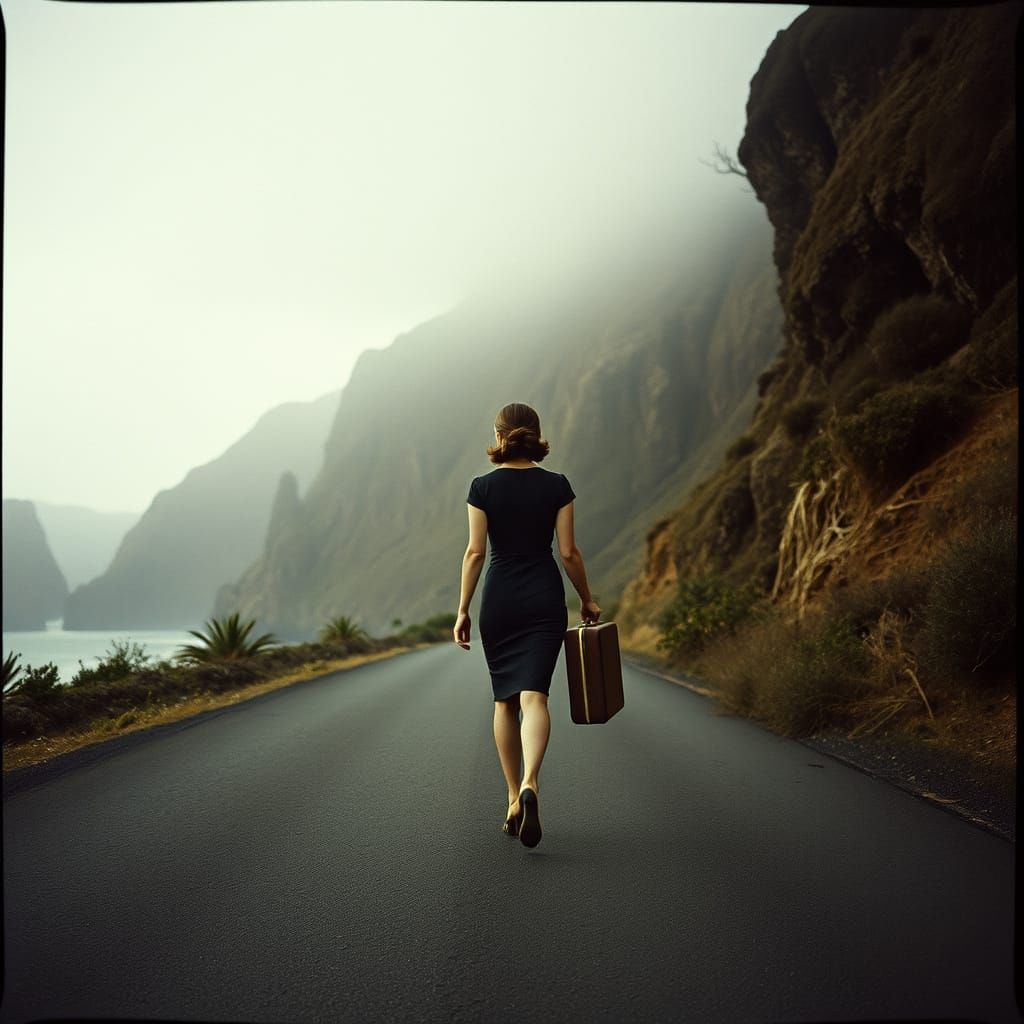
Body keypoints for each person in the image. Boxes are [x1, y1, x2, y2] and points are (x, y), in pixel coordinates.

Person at [454, 402, 600, 849]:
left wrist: (462, 609)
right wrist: (586, 598)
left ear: (499, 436)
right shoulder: (557, 485)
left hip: (500, 600)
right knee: (535, 697)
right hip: (543, 597)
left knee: (504, 702)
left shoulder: (482, 487)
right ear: (535, 434)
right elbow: (569, 553)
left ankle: (511, 797)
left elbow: (475, 552)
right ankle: (530, 782)